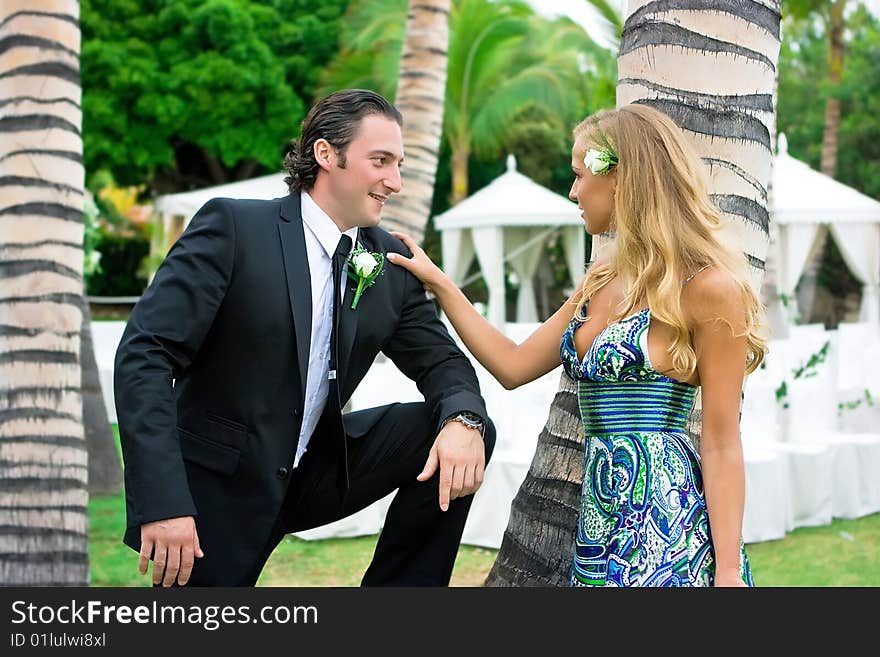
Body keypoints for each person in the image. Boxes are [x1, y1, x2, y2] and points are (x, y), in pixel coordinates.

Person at [114, 89, 495, 587]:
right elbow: (145, 356)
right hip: (217, 489)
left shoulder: (389, 265)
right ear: (325, 154)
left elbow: (443, 364)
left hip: (318, 474)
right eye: (380, 161)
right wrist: (163, 501)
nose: (395, 182)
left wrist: (465, 420)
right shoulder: (234, 228)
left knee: (462, 428)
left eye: (398, 164)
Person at [388, 104, 767, 587]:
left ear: (622, 177)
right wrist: (438, 282)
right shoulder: (600, 281)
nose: (573, 192)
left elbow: (720, 443)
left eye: (579, 174)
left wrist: (729, 572)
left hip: (671, 534)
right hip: (597, 527)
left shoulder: (710, 289)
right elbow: (513, 364)